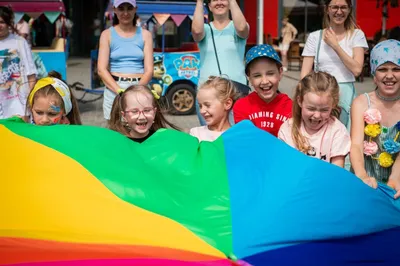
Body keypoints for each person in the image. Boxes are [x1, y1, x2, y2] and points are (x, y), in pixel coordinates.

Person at [301, 0, 368, 131]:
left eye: (343, 7)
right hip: (321, 91)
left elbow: (357, 69)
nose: (339, 11)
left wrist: (335, 45)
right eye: (334, 7)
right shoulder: (315, 37)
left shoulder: (356, 35)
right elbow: (304, 74)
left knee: (345, 136)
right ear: (327, 9)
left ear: (349, 10)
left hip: (346, 93)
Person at [350, 39, 400, 199]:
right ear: (373, 73)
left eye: (396, 69)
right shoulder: (362, 103)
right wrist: (362, 176)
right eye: (383, 69)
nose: (390, 75)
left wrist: (394, 180)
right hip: (365, 176)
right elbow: (356, 145)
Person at [192, 0, 249, 126]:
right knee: (211, 137)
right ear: (210, 7)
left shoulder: (237, 27)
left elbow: (241, 28)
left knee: (235, 137)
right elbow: (196, 31)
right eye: (214, 0)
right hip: (208, 93)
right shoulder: (205, 29)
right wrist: (200, 2)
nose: (219, 2)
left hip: (236, 92)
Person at [278, 72, 350, 167]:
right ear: (300, 101)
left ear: (333, 104)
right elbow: (283, 165)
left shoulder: (337, 131)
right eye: (311, 108)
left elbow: (337, 171)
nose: (317, 115)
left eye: (324, 110)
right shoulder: (287, 129)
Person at [98, 0, 153, 120]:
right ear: (115, 10)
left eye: (129, 8)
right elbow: (101, 69)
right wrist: (120, 91)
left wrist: (136, 91)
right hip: (115, 88)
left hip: (140, 87)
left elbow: (149, 70)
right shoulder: (107, 35)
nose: (126, 13)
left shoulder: (145, 35)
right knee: (114, 132)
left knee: (140, 129)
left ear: (135, 9)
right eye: (121, 8)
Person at [233, 44, 292, 137]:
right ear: (249, 78)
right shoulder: (241, 106)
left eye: (270, 73)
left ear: (280, 73)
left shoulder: (291, 108)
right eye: (257, 76)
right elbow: (244, 140)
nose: (264, 81)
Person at [0, 6, 36, 119]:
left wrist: (31, 100)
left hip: (19, 106)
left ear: (8, 23)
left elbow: (31, 74)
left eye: (2, 22)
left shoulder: (19, 42)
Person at [109, 85, 179, 143]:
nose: (142, 117)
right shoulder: (119, 143)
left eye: (147, 110)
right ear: (124, 116)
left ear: (154, 112)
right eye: (134, 111)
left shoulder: (162, 141)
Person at [190, 76, 240, 142]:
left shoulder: (237, 137)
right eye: (200, 106)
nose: (202, 111)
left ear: (227, 104)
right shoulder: (196, 134)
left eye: (207, 105)